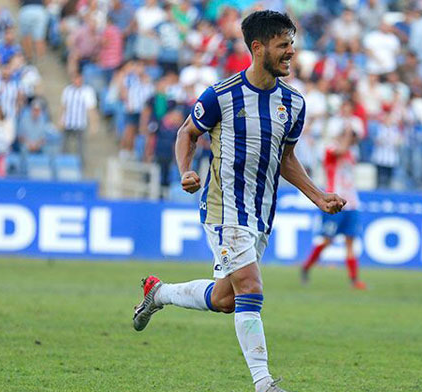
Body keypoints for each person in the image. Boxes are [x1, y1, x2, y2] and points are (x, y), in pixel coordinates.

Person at [132, 11, 346, 392]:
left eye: (292, 44)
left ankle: (158, 292)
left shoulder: (293, 104)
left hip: (261, 214)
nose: (291, 53)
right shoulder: (222, 95)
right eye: (283, 45)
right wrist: (185, 171)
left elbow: (286, 160)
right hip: (224, 208)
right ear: (258, 47)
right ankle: (263, 383)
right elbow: (187, 133)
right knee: (250, 287)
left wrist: (318, 197)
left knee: (227, 298)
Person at [301, 127, 366, 289]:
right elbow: (340, 150)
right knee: (328, 240)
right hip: (334, 201)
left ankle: (354, 280)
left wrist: (350, 136)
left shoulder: (352, 153)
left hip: (352, 202)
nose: (351, 139)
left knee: (350, 241)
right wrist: (347, 133)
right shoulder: (330, 149)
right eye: (348, 136)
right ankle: (306, 266)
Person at [60, 73, 97, 162]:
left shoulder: (87, 91)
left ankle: (80, 164)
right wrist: (61, 119)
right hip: (69, 121)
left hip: (80, 123)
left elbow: (91, 109)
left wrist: (93, 124)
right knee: (65, 145)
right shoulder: (67, 90)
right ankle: (63, 162)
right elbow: (63, 106)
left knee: (81, 146)